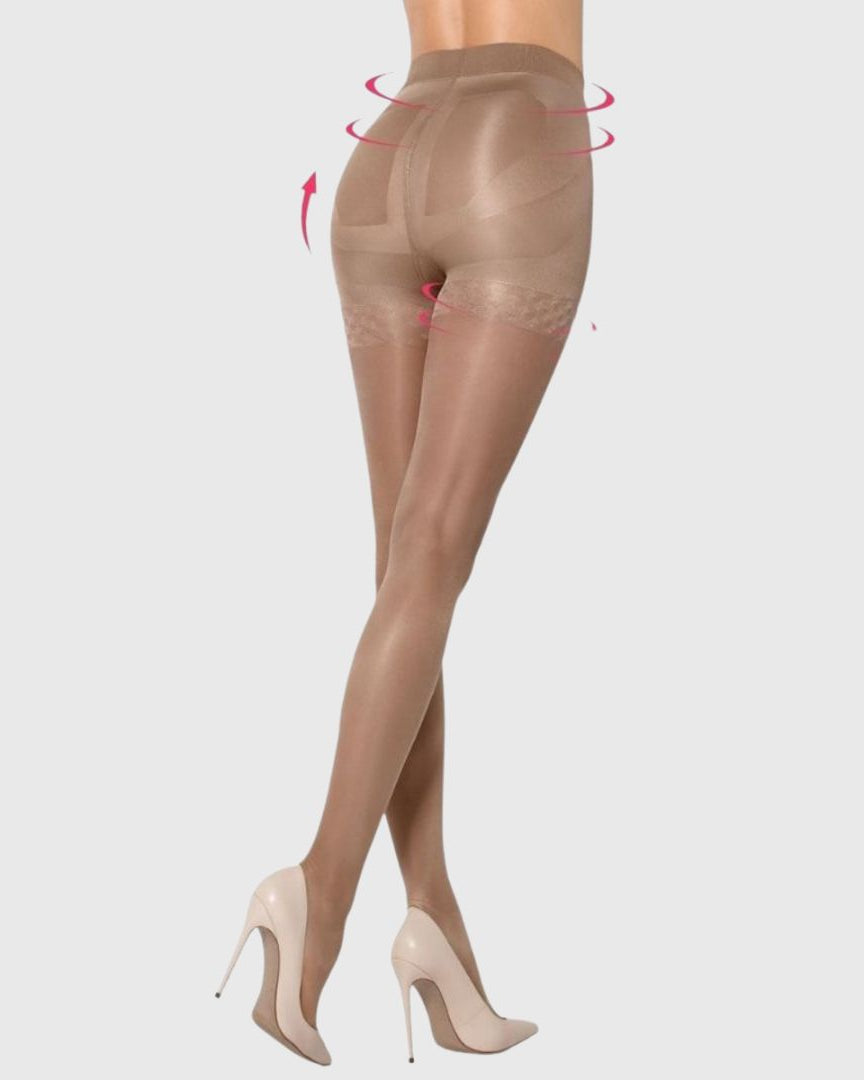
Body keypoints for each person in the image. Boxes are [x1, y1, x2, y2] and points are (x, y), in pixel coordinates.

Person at [216, 0, 592, 1064]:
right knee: (427, 563)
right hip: (518, 143)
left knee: (406, 574)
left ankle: (434, 918)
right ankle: (319, 892)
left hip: (391, 149)